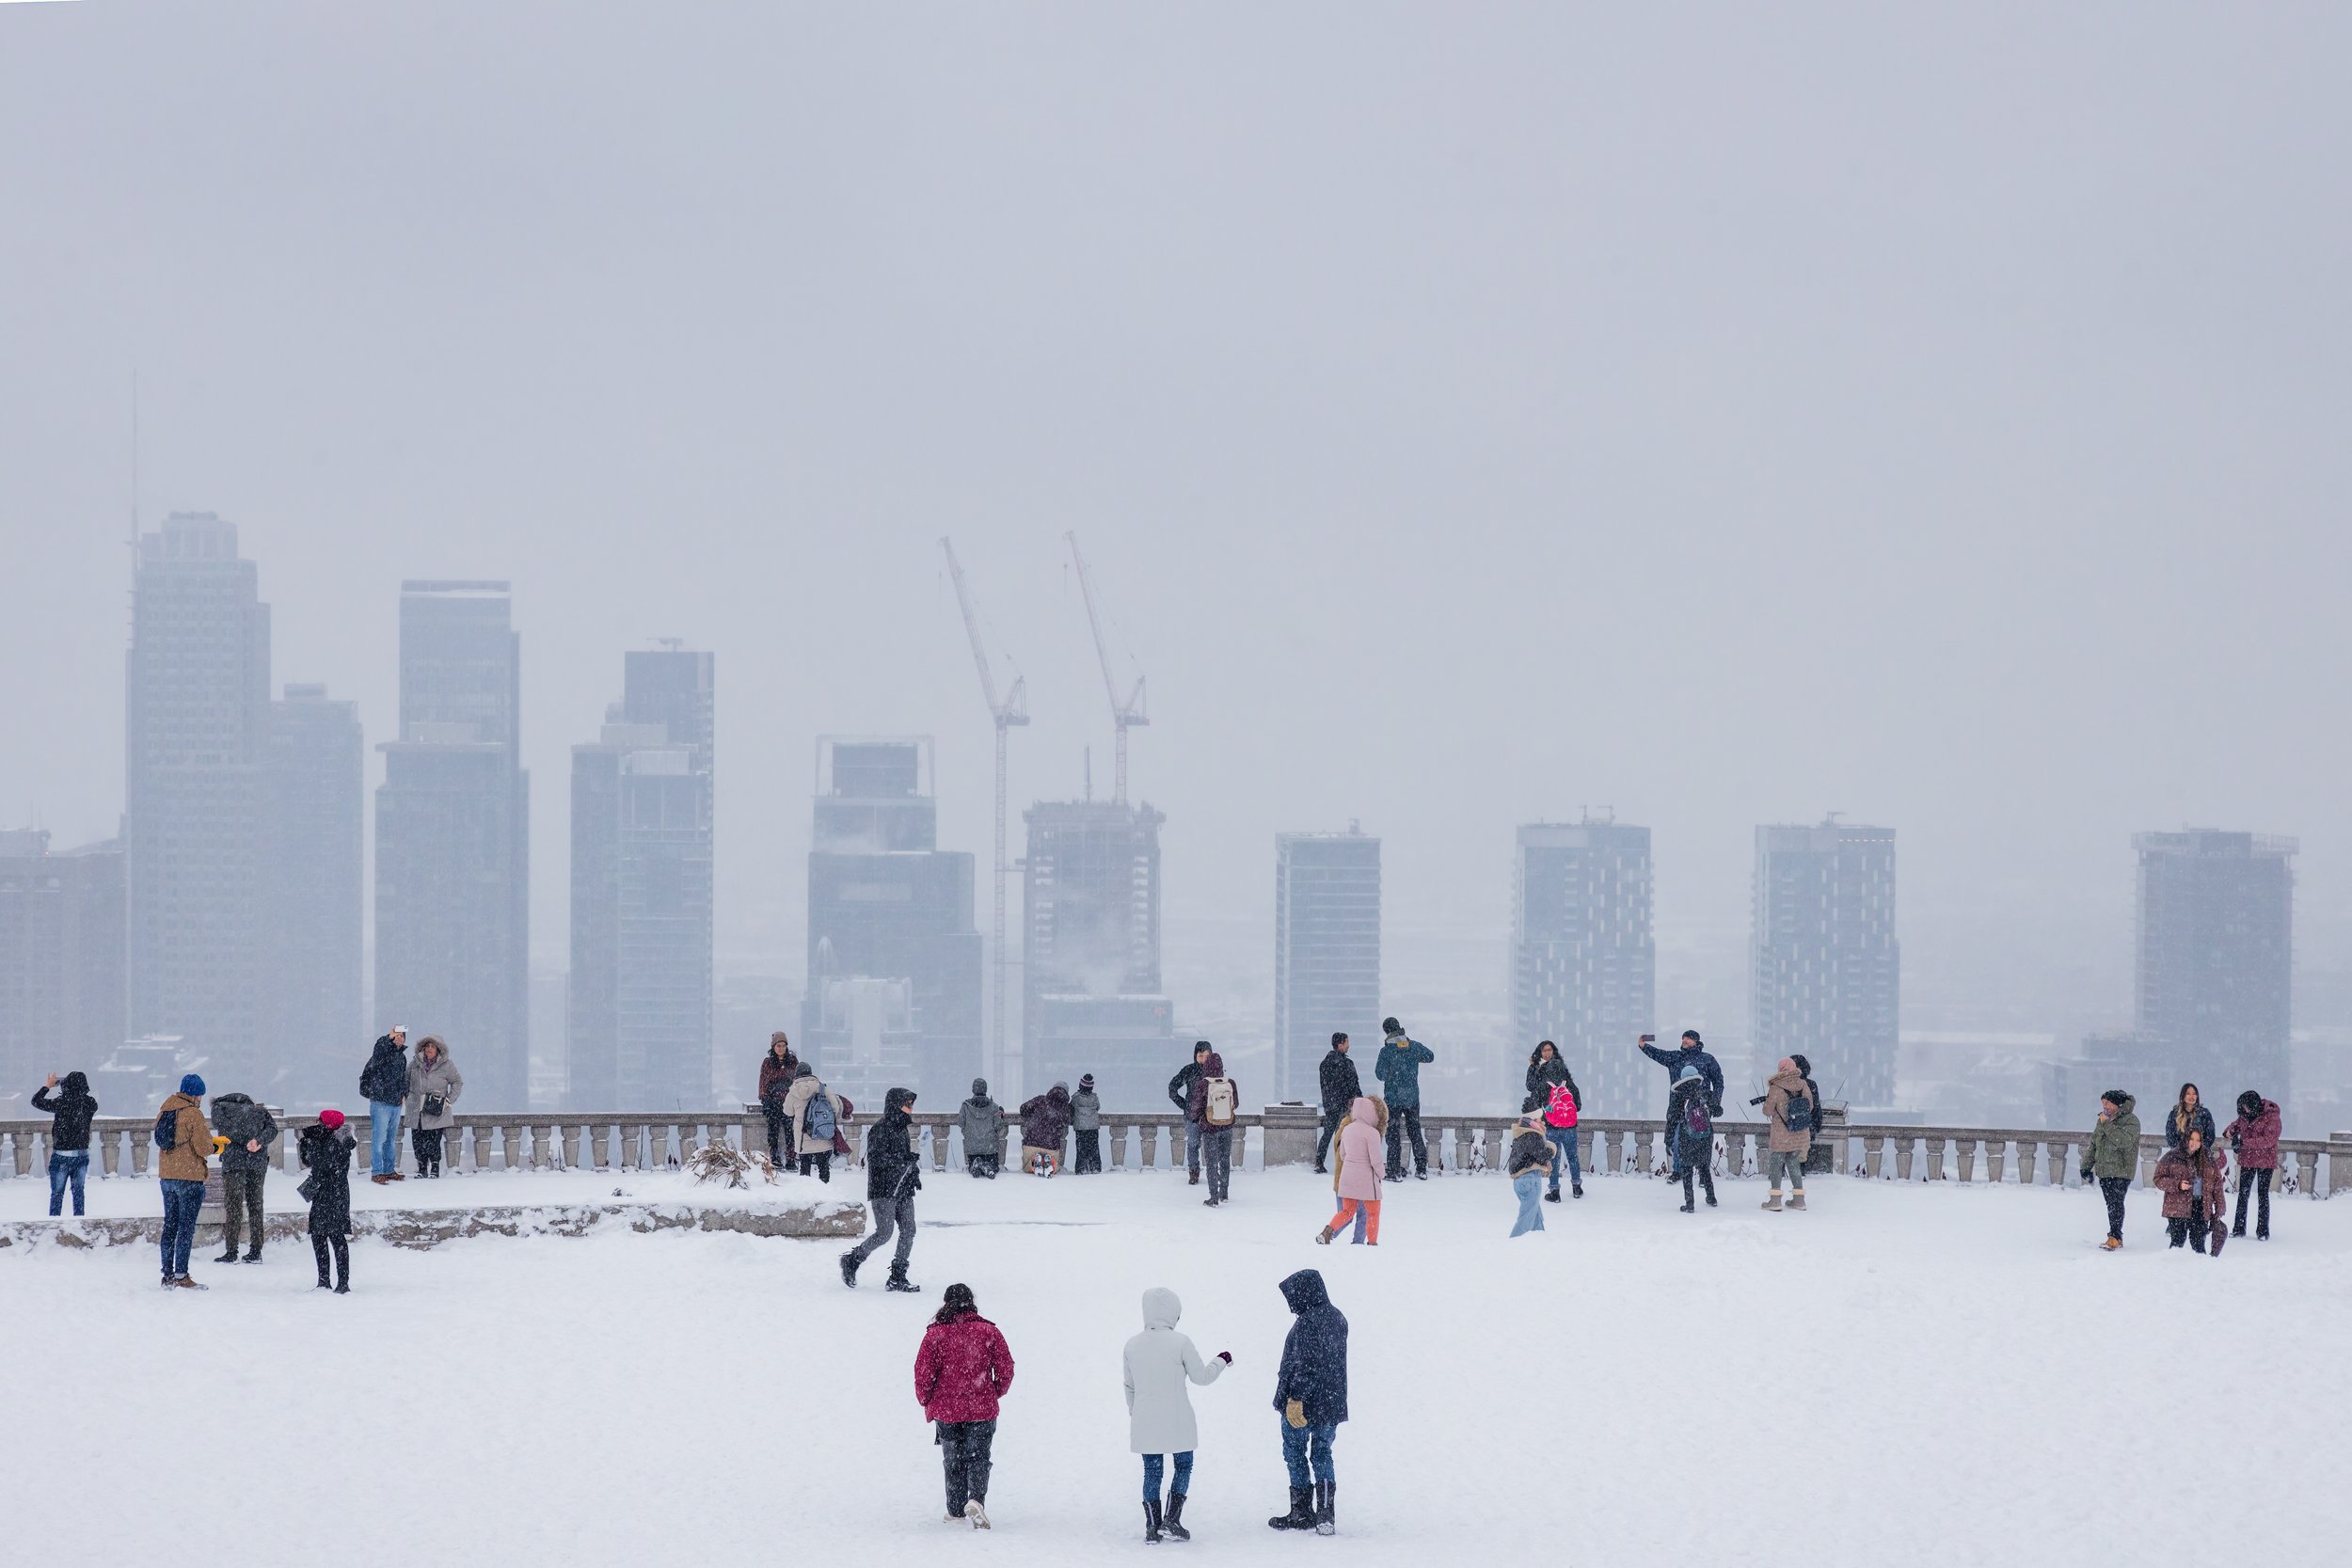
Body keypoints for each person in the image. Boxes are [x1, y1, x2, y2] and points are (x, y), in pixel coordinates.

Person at [1124, 1287, 1231, 1544]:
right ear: (1173, 1312)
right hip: (1178, 1420)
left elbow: (1130, 1387)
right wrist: (1222, 1360)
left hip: (1145, 1420)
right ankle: (1172, 1520)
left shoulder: (1132, 1345)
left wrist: (1137, 1414)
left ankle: (1152, 1527)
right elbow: (1201, 1377)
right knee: (1183, 1466)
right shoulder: (1180, 1342)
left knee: (1152, 1472)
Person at [914, 1283, 1015, 1529]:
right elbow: (1006, 1368)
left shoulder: (935, 1335)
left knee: (953, 1459)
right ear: (971, 1302)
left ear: (945, 1303)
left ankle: (956, 1510)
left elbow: (923, 1373)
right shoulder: (989, 1332)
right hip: (981, 1406)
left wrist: (926, 1399)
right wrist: (994, 1392)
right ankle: (976, 1500)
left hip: (947, 1409)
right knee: (979, 1456)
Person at [1267, 1269, 1347, 1537]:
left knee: (1295, 1452)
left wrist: (1295, 1398)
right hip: (1331, 1402)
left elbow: (1307, 1365)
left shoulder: (1308, 1323)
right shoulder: (1338, 1318)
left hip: (1304, 1401)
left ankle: (1301, 1512)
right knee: (1323, 1452)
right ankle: (1325, 1515)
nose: (1291, 1305)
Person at [842, 1086, 922, 1291]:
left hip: (903, 1188)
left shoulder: (902, 1128)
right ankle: (853, 1260)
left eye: (911, 1104)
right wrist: (903, 1160)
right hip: (883, 1188)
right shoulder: (880, 1128)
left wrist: (913, 1175)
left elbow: (903, 1160)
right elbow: (877, 1159)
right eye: (907, 1104)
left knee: (909, 1230)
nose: (910, 1108)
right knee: (884, 1233)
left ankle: (897, 1276)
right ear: (896, 1104)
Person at [155, 1073, 215, 1290]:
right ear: (196, 1094)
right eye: (200, 1093)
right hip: (189, 1177)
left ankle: (167, 1275)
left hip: (167, 1177)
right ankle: (182, 1276)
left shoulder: (165, 1109)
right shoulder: (193, 1114)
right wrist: (215, 1146)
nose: (200, 1098)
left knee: (169, 1226)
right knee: (185, 1228)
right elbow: (203, 1148)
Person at [209, 1088, 278, 1263]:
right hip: (256, 1162)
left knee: (233, 1207)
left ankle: (232, 1251)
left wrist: (245, 1141)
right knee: (256, 1206)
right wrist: (257, 1141)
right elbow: (273, 1129)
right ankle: (256, 1251)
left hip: (234, 1163)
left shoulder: (219, 1107)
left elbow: (226, 1130)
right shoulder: (259, 1110)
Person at [299, 1109, 357, 1293]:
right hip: (325, 1194)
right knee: (319, 1236)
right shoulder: (323, 1139)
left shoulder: (340, 1142)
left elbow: (321, 1164)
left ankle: (342, 1282)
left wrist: (310, 1140)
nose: (317, 1124)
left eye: (320, 1121)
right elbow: (307, 1160)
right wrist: (307, 1142)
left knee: (336, 1237)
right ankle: (324, 1280)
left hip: (333, 1194)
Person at [1317, 1096, 1384, 1246]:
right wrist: (1382, 1173)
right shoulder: (1372, 1133)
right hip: (1367, 1181)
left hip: (1347, 1178)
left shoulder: (1346, 1130)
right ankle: (1371, 1243)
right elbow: (1375, 1161)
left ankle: (1327, 1232)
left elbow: (1342, 1154)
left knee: (1347, 1212)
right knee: (1372, 1212)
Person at [2080, 1089, 2141, 1251]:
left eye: (2107, 1102)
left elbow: (2123, 1142)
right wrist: (2086, 1166)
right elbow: (2094, 1144)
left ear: (2117, 1103)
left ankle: (2115, 1236)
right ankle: (2116, 1236)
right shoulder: (2102, 1120)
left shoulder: (2131, 1121)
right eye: (2103, 1103)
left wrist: (2106, 1124)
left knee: (2116, 1202)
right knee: (2111, 1204)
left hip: (2122, 1169)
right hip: (2104, 1169)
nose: (2104, 1106)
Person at [1373, 1018, 1434, 1180]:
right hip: (1412, 1098)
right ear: (1399, 1028)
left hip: (1392, 1100)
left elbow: (1380, 1075)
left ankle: (1394, 1170)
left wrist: (1393, 1072)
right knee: (1415, 1132)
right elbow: (1430, 1056)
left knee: (1392, 1134)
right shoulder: (1412, 1046)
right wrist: (1411, 1056)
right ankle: (1421, 1168)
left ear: (1386, 1032)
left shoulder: (1386, 1051)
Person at [31, 1070, 98, 1217]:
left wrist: (48, 1086)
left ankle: (54, 1224)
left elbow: (36, 1101)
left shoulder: (61, 1103)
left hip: (61, 1155)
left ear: (66, 1085)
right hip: (81, 1155)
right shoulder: (90, 1103)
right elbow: (81, 1098)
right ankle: (79, 1222)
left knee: (57, 1194)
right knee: (78, 1192)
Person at [1527, 1041, 1583, 1200]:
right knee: (1573, 1158)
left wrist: (1549, 1111)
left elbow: (1533, 1097)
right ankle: (1577, 1187)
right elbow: (1577, 1106)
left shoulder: (1543, 1084)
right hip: (1570, 1127)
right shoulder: (1569, 1084)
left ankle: (1554, 1192)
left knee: (1553, 1159)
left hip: (1551, 1126)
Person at [2155, 1129, 2225, 1256]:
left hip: (2201, 1206)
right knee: (2177, 1244)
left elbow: (2217, 1184)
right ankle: (2171, 1272)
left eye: (2198, 1140)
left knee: (2199, 1246)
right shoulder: (2172, 1156)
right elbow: (2158, 1178)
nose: (2194, 1143)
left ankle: (2200, 1273)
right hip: (2177, 1206)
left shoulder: (2208, 1158)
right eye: (2192, 1139)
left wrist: (2220, 1206)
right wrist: (2177, 1184)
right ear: (2186, 1139)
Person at [1759, 1057, 1814, 1212]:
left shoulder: (1776, 1087)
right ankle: (1799, 1199)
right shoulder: (1803, 1084)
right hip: (1798, 1132)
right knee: (1794, 1164)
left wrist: (1772, 1105)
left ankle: (1775, 1200)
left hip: (1781, 1134)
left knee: (1776, 1165)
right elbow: (1809, 1106)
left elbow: (1767, 1111)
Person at [2225, 1090, 2280, 1240]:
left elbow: (2269, 1140)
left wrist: (2244, 1143)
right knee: (2243, 1194)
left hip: (2265, 1161)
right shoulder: (2244, 1115)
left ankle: (2263, 1231)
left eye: (2247, 1108)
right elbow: (2235, 1125)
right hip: (2248, 1159)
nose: (2245, 1111)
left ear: (2254, 1106)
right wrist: (2229, 1132)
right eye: (2242, 1108)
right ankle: (2238, 1229)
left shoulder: (2272, 1116)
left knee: (2263, 1195)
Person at [405, 1036, 462, 1178]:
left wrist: (448, 1100)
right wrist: (406, 1096)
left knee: (434, 1140)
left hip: (436, 1109)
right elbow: (405, 1081)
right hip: (416, 1108)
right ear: (423, 1048)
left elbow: (457, 1082)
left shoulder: (447, 1065)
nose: (429, 1049)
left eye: (433, 1046)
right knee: (417, 1140)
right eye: (427, 1046)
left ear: (438, 1049)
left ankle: (435, 1168)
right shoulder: (414, 1064)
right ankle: (422, 1168)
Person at [1663, 1061, 1717, 1212]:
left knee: (1687, 1169)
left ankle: (1690, 1204)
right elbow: (1718, 1110)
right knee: (1704, 1167)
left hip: (1686, 1137)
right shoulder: (1705, 1093)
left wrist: (1668, 1139)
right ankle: (1711, 1197)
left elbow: (1672, 1119)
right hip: (1705, 1136)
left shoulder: (1679, 1096)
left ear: (1683, 1078)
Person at [358, 1028, 410, 1183]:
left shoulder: (402, 1057)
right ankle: (377, 1172)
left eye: (402, 1036)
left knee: (390, 1139)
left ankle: (388, 1170)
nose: (399, 1038)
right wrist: (389, 1036)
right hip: (380, 1102)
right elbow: (379, 1047)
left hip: (395, 1103)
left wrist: (404, 1094)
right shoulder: (382, 1052)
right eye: (397, 1036)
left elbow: (402, 1079)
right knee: (379, 1138)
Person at [1188, 1050, 1238, 1207]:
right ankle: (1224, 1193)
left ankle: (1213, 1197)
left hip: (1210, 1128)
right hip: (1227, 1126)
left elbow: (1196, 1107)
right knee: (1225, 1160)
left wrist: (1196, 1118)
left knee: (1211, 1162)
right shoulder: (1230, 1083)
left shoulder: (1203, 1083)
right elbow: (1235, 1104)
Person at [1314, 1033, 1361, 1175]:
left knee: (1327, 1134)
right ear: (1340, 1044)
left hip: (1330, 1104)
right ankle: (1341, 1164)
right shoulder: (1347, 1064)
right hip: (1344, 1105)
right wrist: (1360, 1101)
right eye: (1347, 1042)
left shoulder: (1324, 1063)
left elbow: (1325, 1085)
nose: (1349, 1045)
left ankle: (1319, 1161)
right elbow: (1354, 1086)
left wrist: (1329, 1101)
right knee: (1342, 1136)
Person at [1168, 1040, 1213, 1187]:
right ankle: (1193, 1172)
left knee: (1211, 1146)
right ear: (1195, 1056)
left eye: (1207, 1056)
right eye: (1201, 1056)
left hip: (1211, 1116)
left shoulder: (1215, 1071)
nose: (1204, 1059)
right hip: (1192, 1116)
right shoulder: (1189, 1070)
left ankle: (1213, 1173)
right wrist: (1185, 1105)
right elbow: (1172, 1088)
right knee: (1193, 1144)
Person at [790, 1067, 847, 1183]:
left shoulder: (793, 1091)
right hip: (823, 1134)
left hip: (803, 1137)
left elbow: (787, 1111)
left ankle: (806, 1194)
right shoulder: (822, 1088)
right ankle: (825, 1191)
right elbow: (835, 1107)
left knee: (805, 1169)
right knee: (824, 1167)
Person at [1507, 1112, 1551, 1237]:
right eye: (1539, 1119)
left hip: (1519, 1180)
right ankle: (1512, 1244)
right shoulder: (1533, 1134)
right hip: (1530, 1179)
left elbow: (1529, 1155)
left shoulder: (1520, 1132)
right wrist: (1551, 1151)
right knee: (1526, 1219)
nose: (1543, 1122)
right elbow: (1541, 1155)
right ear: (1533, 1120)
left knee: (1536, 1216)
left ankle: (1540, 1242)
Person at [755, 1033, 798, 1165]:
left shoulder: (792, 1061)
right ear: (773, 1047)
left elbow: (797, 1081)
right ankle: (775, 1158)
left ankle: (791, 1159)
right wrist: (765, 1099)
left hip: (789, 1102)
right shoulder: (767, 1062)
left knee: (790, 1132)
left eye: (783, 1046)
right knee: (773, 1132)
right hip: (773, 1102)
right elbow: (763, 1082)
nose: (781, 1048)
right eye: (778, 1046)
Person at [1020, 1082, 1074, 1176]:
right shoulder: (1066, 1108)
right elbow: (1070, 1119)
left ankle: (1035, 1162)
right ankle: (1048, 1161)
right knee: (1055, 1167)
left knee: (1027, 1168)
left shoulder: (1040, 1099)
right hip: (1051, 1146)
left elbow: (1023, 1109)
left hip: (1031, 1143)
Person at [960, 1077, 1005, 1178]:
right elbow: (998, 1126)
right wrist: (1000, 1115)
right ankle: (987, 1165)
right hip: (990, 1148)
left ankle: (976, 1165)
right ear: (986, 1089)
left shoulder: (966, 1106)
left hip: (972, 1148)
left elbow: (960, 1123)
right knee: (995, 1167)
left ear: (973, 1089)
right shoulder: (994, 1107)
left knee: (973, 1164)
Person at [2164, 1083, 2217, 1153]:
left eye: (2194, 1094)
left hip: (2200, 1156)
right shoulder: (2174, 1114)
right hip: (2179, 1157)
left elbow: (2210, 1136)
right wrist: (2182, 1151)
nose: (2192, 1096)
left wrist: (2198, 1150)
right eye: (2188, 1093)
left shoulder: (2204, 1114)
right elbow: (2170, 1136)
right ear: (2183, 1096)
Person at [1072, 1074, 1104, 1174]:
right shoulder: (1094, 1098)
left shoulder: (1076, 1098)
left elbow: (1071, 1108)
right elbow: (1098, 1107)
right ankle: (1095, 1167)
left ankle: (1081, 1168)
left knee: (1081, 1149)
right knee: (1094, 1148)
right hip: (1093, 1126)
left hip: (1081, 1127)